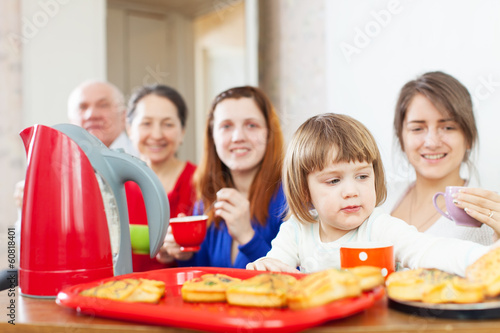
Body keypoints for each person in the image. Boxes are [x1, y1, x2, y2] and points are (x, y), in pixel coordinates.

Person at [247, 113, 499, 275]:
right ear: (304, 191)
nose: (351, 191)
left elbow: (430, 250)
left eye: (362, 176)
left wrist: (488, 259)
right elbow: (276, 269)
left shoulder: (379, 228)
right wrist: (264, 267)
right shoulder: (296, 230)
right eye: (334, 180)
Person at [156, 86, 287, 269]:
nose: (238, 137)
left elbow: (301, 280)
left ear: (269, 133)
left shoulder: (292, 199)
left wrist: (247, 237)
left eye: (251, 125)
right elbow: (204, 275)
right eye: (226, 126)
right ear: (213, 137)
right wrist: (183, 254)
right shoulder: (206, 201)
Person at [384, 71, 500, 245]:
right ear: (401, 139)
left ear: (469, 137)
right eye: (417, 129)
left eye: (448, 127)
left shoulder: (490, 214)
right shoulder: (378, 199)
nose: (431, 142)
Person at [125, 84, 196, 271]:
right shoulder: (114, 185)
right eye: (146, 123)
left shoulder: (202, 181)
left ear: (182, 132)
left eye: (168, 124)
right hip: (123, 293)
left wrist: (185, 254)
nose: (156, 135)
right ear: (130, 129)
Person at [67, 79, 139, 156]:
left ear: (123, 116)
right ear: (71, 120)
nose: (91, 115)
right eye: (83, 107)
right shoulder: (59, 161)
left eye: (103, 105)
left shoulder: (145, 158)